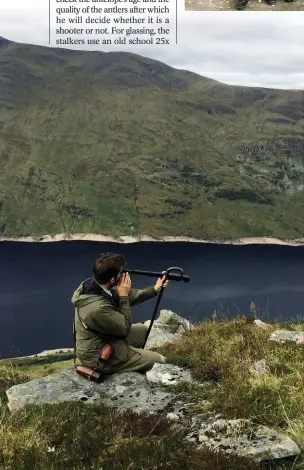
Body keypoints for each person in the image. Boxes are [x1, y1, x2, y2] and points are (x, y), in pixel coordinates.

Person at [71, 252, 168, 375]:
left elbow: (128, 295)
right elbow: (124, 328)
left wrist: (154, 289)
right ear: (112, 279)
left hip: (106, 337)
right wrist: (123, 295)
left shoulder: (97, 285)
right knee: (159, 360)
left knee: (144, 331)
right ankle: (129, 358)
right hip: (98, 355)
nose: (123, 275)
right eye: (121, 273)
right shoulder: (97, 309)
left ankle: (133, 353)